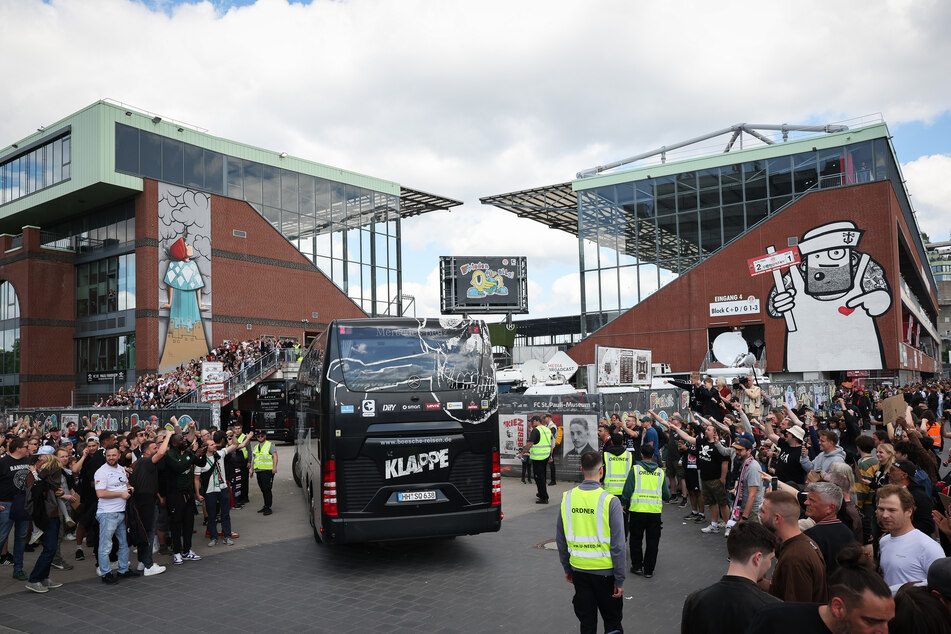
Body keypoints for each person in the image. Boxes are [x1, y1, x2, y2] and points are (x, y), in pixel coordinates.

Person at [746, 543, 894, 634]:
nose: (884, 631)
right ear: (838, 607)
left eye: (888, 622)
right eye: (871, 621)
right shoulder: (775, 621)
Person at [555, 451, 626, 634]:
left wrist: (567, 568)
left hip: (579, 571)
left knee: (587, 623)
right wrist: (619, 578)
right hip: (606, 574)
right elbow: (618, 546)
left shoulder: (567, 498)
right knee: (612, 621)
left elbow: (561, 540)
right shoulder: (611, 501)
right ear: (601, 471)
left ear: (581, 470)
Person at [680, 521, 780, 634]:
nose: (769, 565)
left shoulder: (695, 601)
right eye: (770, 559)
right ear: (757, 558)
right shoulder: (772, 608)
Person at [758, 490, 828, 602]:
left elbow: (796, 610)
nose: (760, 516)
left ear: (777, 518)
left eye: (763, 512)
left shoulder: (795, 558)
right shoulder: (802, 544)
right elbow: (781, 590)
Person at [877, 484, 944, 591]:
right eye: (881, 509)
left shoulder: (928, 547)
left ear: (909, 511)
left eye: (892, 510)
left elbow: (942, 585)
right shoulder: (884, 541)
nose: (884, 515)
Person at [620, 444, 669, 578]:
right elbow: (666, 494)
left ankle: (637, 566)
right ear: (653, 455)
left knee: (636, 539)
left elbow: (628, 489)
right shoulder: (660, 472)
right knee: (653, 542)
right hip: (654, 512)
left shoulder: (635, 470)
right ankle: (649, 570)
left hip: (637, 510)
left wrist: (623, 503)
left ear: (641, 455)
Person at [195, 431, 250, 546]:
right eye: (211, 444)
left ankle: (227, 536)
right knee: (211, 515)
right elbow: (196, 478)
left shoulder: (220, 453)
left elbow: (235, 445)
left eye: (214, 444)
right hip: (210, 491)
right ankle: (213, 537)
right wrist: (197, 493)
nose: (215, 445)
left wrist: (232, 435)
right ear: (205, 447)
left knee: (225, 513)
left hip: (223, 488)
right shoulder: (201, 461)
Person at [23, 447, 66, 593]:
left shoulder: (50, 473)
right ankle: (34, 579)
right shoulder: (32, 475)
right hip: (43, 515)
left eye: (43, 458)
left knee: (52, 548)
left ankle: (44, 577)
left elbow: (53, 488)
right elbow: (37, 492)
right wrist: (54, 490)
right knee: (50, 548)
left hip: (53, 513)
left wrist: (58, 491)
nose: (41, 461)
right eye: (39, 459)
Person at [94, 446, 140, 584]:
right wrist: (121, 494)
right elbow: (100, 493)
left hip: (122, 512)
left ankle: (123, 570)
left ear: (119, 455)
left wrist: (130, 488)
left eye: (114, 455)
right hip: (107, 514)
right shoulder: (101, 472)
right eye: (109, 455)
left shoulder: (120, 468)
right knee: (105, 546)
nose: (111, 458)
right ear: (105, 456)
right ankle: (106, 573)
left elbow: (126, 484)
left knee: (125, 543)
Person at [130, 434, 171, 576]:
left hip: (143, 500)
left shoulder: (140, 464)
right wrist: (169, 435)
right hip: (146, 502)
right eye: (154, 447)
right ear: (146, 451)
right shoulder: (146, 461)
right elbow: (161, 453)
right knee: (148, 533)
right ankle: (148, 565)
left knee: (145, 533)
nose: (157, 449)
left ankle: (142, 562)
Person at [163, 432, 206, 565]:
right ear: (174, 443)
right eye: (181, 439)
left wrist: (202, 453)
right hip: (175, 494)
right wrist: (194, 457)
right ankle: (177, 552)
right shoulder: (169, 455)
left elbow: (201, 463)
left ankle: (187, 551)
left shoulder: (187, 453)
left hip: (188, 493)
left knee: (189, 522)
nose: (185, 440)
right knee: (176, 523)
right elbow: (179, 468)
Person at [803, 481, 859, 579]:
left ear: (830, 508)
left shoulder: (811, 535)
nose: (806, 503)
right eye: (807, 499)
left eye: (812, 500)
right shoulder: (848, 533)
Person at [0, 437, 31, 581]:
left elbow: (30, 481)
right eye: (26, 446)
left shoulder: (27, 461)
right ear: (18, 448)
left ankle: (18, 569)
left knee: (20, 538)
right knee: (2, 537)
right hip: (6, 505)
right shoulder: (3, 462)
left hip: (23, 504)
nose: (29, 448)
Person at [723, 438, 762, 538]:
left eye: (740, 450)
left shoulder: (753, 467)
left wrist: (744, 517)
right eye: (736, 449)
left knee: (751, 541)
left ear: (749, 451)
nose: (737, 452)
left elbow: (752, 495)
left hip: (751, 511)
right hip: (743, 508)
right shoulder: (744, 463)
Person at [888, 459, 935, 536]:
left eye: (892, 470)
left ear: (904, 475)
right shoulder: (892, 490)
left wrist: (900, 528)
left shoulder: (919, 496)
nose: (889, 472)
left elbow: (928, 525)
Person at [519, 415, 553, 504]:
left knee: (539, 478)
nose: (531, 423)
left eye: (532, 421)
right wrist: (550, 455)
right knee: (542, 476)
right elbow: (551, 443)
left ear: (537, 421)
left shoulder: (536, 430)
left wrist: (522, 453)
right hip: (545, 456)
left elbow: (530, 443)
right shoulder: (546, 429)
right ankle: (541, 493)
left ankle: (544, 497)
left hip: (538, 458)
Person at [251, 429, 278, 515]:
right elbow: (254, 459)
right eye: (258, 436)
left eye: (262, 436)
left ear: (265, 436)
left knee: (267, 489)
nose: (260, 437)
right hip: (258, 471)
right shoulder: (256, 447)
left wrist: (274, 467)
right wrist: (251, 470)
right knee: (263, 489)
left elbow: (275, 456)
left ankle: (268, 507)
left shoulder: (270, 445)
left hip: (267, 471)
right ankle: (265, 505)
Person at [545, 414, 558, 486]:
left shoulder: (552, 426)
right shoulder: (547, 426)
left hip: (551, 448)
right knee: (548, 463)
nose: (544, 420)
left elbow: (551, 435)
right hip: (547, 447)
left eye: (545, 418)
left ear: (548, 418)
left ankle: (553, 480)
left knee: (551, 463)